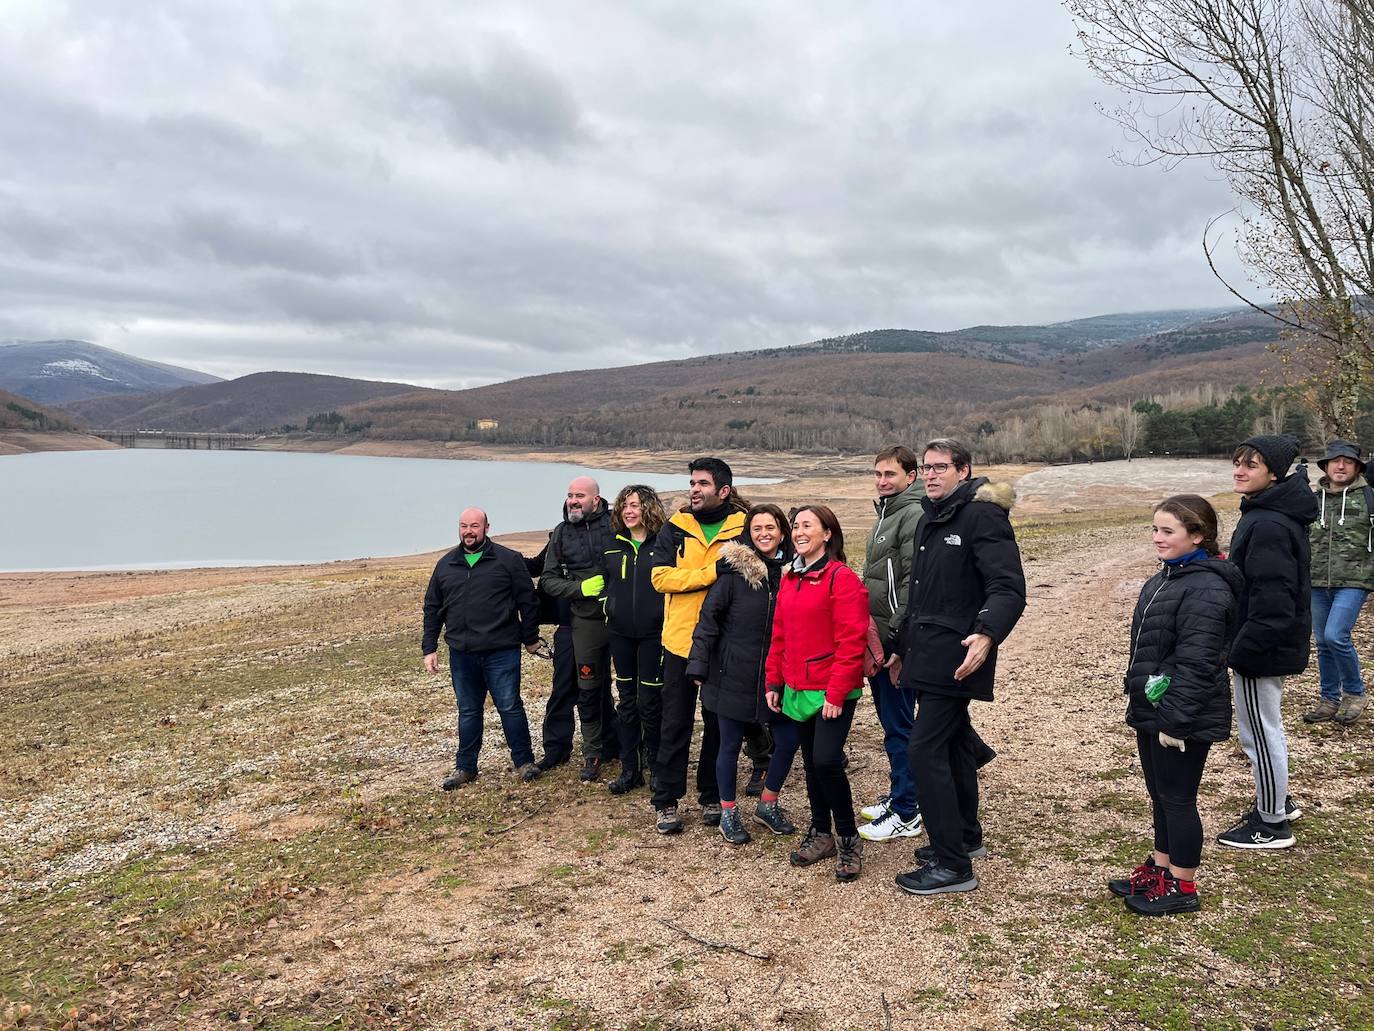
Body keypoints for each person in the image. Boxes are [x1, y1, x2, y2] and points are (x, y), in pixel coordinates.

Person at [894, 438, 1026, 896]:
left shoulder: (981, 516)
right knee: (951, 748)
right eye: (926, 468)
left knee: (923, 750)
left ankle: (952, 866)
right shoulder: (934, 517)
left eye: (940, 468)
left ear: (963, 471)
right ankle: (965, 840)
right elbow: (923, 599)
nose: (930, 475)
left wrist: (988, 634)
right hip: (926, 651)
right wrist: (900, 647)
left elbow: (1007, 587)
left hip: (957, 655)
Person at [1110, 495, 1243, 915]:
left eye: (1168, 531)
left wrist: (1176, 720)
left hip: (1182, 714)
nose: (1157, 538)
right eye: (1154, 529)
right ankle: (1161, 866)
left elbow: (1199, 662)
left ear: (1198, 536)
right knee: (1159, 793)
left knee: (1179, 798)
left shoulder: (1206, 587)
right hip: (1154, 707)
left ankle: (1183, 886)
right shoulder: (1165, 577)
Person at [1217, 434, 1318, 850]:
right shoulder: (1268, 511)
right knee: (1264, 728)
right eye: (1237, 461)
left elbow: (1273, 602)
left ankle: (1272, 822)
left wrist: (1242, 651)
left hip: (1263, 647)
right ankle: (1278, 800)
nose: (1239, 470)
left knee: (1259, 732)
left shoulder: (1269, 523)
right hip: (1266, 642)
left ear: (1273, 473)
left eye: (1251, 465)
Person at [765, 505, 870, 881]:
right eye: (795, 526)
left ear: (827, 534)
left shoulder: (841, 579)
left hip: (831, 689)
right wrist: (774, 681)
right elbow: (779, 635)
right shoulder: (790, 576)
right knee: (811, 763)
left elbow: (852, 641)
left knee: (826, 760)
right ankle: (821, 832)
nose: (798, 531)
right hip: (796, 686)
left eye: (807, 525)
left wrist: (837, 693)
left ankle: (847, 838)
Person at [649, 457, 753, 834]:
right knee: (674, 723)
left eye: (703, 484)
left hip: (724, 644)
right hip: (680, 642)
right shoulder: (675, 528)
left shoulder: (743, 528)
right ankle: (666, 800)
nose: (694, 489)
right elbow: (661, 578)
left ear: (723, 491)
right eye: (692, 482)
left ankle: (711, 794)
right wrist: (712, 573)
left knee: (718, 725)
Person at [687, 503, 798, 844]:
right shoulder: (733, 574)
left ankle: (768, 803)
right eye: (757, 529)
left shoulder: (796, 572)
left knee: (788, 740)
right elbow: (708, 621)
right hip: (731, 670)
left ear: (783, 531)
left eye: (771, 528)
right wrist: (699, 664)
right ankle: (729, 812)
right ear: (748, 534)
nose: (764, 534)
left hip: (778, 673)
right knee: (729, 743)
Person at [422, 508, 543, 789]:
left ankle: (524, 762)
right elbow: (432, 608)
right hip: (462, 654)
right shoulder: (446, 564)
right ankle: (465, 768)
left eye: (474, 526)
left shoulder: (508, 560)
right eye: (464, 526)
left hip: (502, 650)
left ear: (487, 527)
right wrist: (430, 648)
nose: (468, 531)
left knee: (510, 706)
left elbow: (529, 602)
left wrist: (530, 637)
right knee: (468, 711)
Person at [857, 444, 926, 843]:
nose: (883, 481)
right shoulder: (888, 512)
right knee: (892, 723)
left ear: (910, 477)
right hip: (880, 638)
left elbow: (910, 584)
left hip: (894, 643)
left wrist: (897, 641)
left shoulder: (911, 514)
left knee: (900, 726)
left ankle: (907, 811)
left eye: (891, 475)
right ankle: (901, 794)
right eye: (879, 474)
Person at [540, 477, 618, 782]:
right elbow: (547, 580)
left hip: (623, 620)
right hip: (584, 622)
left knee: (631, 689)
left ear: (595, 500)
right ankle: (592, 753)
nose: (573, 500)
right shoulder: (560, 533)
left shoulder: (616, 525)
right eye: (570, 495)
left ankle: (633, 750)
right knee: (587, 687)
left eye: (580, 496)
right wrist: (579, 588)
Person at [602, 484, 668, 795]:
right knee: (626, 701)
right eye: (625, 505)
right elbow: (604, 582)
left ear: (649, 509)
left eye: (636, 505)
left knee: (651, 702)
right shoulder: (612, 545)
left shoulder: (665, 545)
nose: (629, 511)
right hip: (620, 635)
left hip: (655, 636)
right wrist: (607, 606)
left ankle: (656, 765)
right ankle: (631, 768)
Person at [1304, 439, 1373, 725]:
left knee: (1336, 636)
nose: (1340, 466)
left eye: (1347, 461)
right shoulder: (1312, 499)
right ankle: (1329, 698)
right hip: (1317, 580)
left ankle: (1355, 693)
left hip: (1355, 579)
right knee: (1322, 642)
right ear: (1326, 466)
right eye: (1335, 461)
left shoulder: (1369, 497)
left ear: (1357, 467)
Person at [524, 535, 584, 775]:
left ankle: (607, 745)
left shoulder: (606, 533)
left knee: (596, 689)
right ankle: (556, 749)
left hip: (600, 624)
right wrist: (506, 557)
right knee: (563, 688)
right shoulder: (559, 537)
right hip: (566, 627)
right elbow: (538, 566)